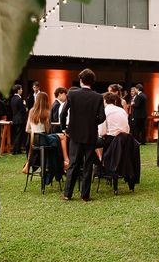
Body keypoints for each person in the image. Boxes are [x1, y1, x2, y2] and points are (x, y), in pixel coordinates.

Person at [60, 69, 106, 201]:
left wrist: (64, 128)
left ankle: (67, 194)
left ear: (81, 80)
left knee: (73, 163)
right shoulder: (98, 97)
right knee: (88, 164)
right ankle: (85, 195)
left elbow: (63, 113)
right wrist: (92, 122)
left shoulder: (72, 94)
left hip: (75, 133)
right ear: (92, 82)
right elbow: (102, 117)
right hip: (90, 134)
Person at [23, 92, 69, 182]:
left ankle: (61, 162)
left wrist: (35, 131)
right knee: (62, 137)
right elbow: (48, 130)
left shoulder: (31, 111)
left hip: (34, 141)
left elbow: (27, 129)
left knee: (57, 139)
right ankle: (65, 160)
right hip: (44, 140)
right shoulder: (47, 112)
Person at [10, 84, 27, 155]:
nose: (22, 90)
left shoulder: (12, 98)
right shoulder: (19, 99)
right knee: (19, 135)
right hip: (20, 119)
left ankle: (17, 149)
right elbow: (22, 110)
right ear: (18, 90)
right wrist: (24, 105)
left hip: (15, 119)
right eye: (21, 89)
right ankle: (16, 150)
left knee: (16, 135)